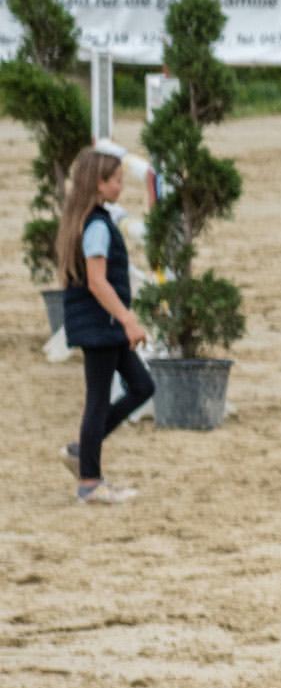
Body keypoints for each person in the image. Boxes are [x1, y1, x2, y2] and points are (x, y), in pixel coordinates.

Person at [57, 144, 155, 505]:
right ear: (98, 184)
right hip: (103, 323)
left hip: (105, 324)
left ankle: (82, 450)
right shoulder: (96, 226)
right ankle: (89, 481)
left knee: (143, 385)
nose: (120, 186)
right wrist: (128, 319)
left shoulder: (91, 220)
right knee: (97, 401)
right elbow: (97, 282)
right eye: (115, 180)